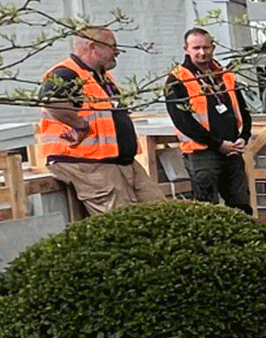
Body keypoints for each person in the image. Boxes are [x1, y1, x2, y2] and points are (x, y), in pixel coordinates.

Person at [36, 25, 169, 214]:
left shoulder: (102, 78)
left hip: (120, 162)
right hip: (90, 165)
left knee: (161, 212)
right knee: (122, 223)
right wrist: (80, 125)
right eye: (112, 46)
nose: (117, 52)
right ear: (92, 46)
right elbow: (52, 102)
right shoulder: (66, 74)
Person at [164, 25, 254, 211]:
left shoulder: (225, 75)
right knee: (207, 206)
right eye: (196, 48)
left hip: (232, 149)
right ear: (186, 50)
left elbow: (243, 110)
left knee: (240, 203)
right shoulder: (177, 79)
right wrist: (217, 143)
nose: (202, 53)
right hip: (202, 152)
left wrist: (243, 137)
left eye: (205, 47)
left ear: (213, 47)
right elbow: (182, 121)